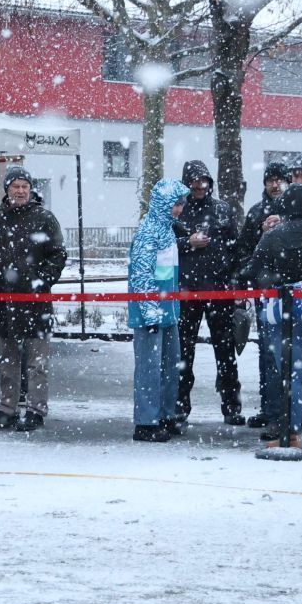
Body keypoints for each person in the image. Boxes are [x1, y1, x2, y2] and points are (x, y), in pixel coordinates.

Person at [0, 167, 67, 432]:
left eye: (24, 186)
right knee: (8, 359)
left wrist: (41, 280)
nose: (20, 190)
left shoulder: (44, 218)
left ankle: (36, 410)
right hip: (3, 299)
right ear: (7, 189)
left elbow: (58, 255)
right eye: (15, 186)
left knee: (37, 361)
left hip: (35, 300)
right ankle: (7, 408)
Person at [244, 184, 302, 453]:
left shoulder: (274, 236)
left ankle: (291, 435)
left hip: (286, 311)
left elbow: (251, 270)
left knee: (291, 374)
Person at [173, 159, 243, 425]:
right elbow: (166, 246)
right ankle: (180, 406)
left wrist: (234, 283)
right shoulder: (178, 210)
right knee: (183, 352)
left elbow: (235, 249)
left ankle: (231, 406)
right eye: (193, 182)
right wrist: (187, 243)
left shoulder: (222, 210)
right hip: (187, 291)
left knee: (225, 351)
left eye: (203, 181)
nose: (199, 186)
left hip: (219, 290)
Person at [128, 179, 189, 441]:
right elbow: (141, 276)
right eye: (175, 204)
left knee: (169, 368)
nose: (179, 209)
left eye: (181, 204)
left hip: (169, 312)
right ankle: (146, 422)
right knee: (149, 370)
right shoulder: (148, 232)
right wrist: (150, 313)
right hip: (150, 314)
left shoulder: (168, 230)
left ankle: (164, 415)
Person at [239, 162, 290, 427]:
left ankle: (290, 412)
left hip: (293, 292)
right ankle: (270, 409)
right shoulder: (256, 213)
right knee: (267, 352)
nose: (275, 184)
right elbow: (243, 252)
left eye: (280, 180)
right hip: (264, 292)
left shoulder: (297, 211)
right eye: (270, 180)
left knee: (291, 352)